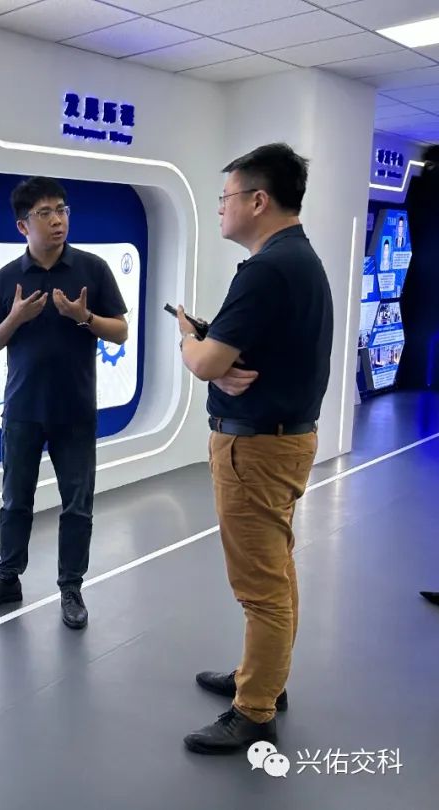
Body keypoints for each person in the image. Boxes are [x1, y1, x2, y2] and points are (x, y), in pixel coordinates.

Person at [174, 143, 333, 754]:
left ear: (258, 200)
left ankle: (254, 709)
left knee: (260, 587)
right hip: (286, 441)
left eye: (226, 197)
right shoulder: (301, 260)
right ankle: (264, 677)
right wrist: (219, 359)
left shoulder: (265, 270)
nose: (221, 207)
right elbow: (242, 355)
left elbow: (206, 362)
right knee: (277, 570)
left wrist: (191, 343)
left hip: (255, 451)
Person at [0, 176, 128, 629]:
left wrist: (84, 316)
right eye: (45, 213)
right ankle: (8, 579)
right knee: (15, 501)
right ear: (23, 226)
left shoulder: (93, 269)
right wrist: (15, 318)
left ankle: (71, 587)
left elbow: (120, 331)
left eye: (62, 210)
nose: (57, 220)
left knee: (77, 504)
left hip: (75, 409)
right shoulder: (7, 279)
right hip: (22, 410)